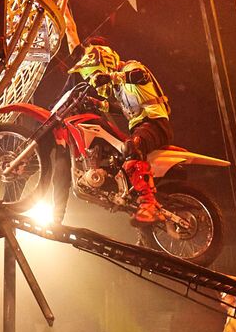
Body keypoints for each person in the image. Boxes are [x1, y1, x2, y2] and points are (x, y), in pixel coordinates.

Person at [69, 36, 173, 224]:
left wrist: (110, 76)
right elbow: (122, 109)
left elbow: (141, 77)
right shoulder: (119, 87)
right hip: (141, 127)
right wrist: (97, 103)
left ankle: (149, 203)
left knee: (131, 147)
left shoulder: (132, 68)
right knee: (121, 162)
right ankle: (143, 220)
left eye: (96, 74)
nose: (98, 80)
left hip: (155, 123)